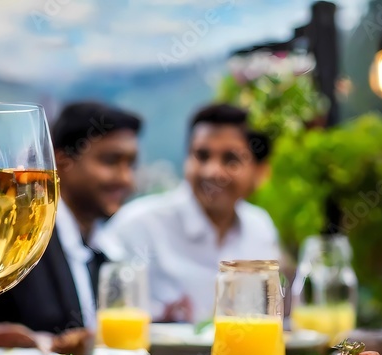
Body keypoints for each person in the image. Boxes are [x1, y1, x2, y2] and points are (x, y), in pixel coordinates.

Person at [0, 101, 141, 350]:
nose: (126, 178)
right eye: (110, 161)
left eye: (131, 164)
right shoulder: (7, 238)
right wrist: (39, 344)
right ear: (61, 162)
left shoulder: (104, 251)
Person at [104, 103, 280, 324]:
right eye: (202, 156)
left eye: (231, 159)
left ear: (260, 172)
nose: (212, 171)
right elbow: (105, 322)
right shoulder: (136, 226)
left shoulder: (259, 228)